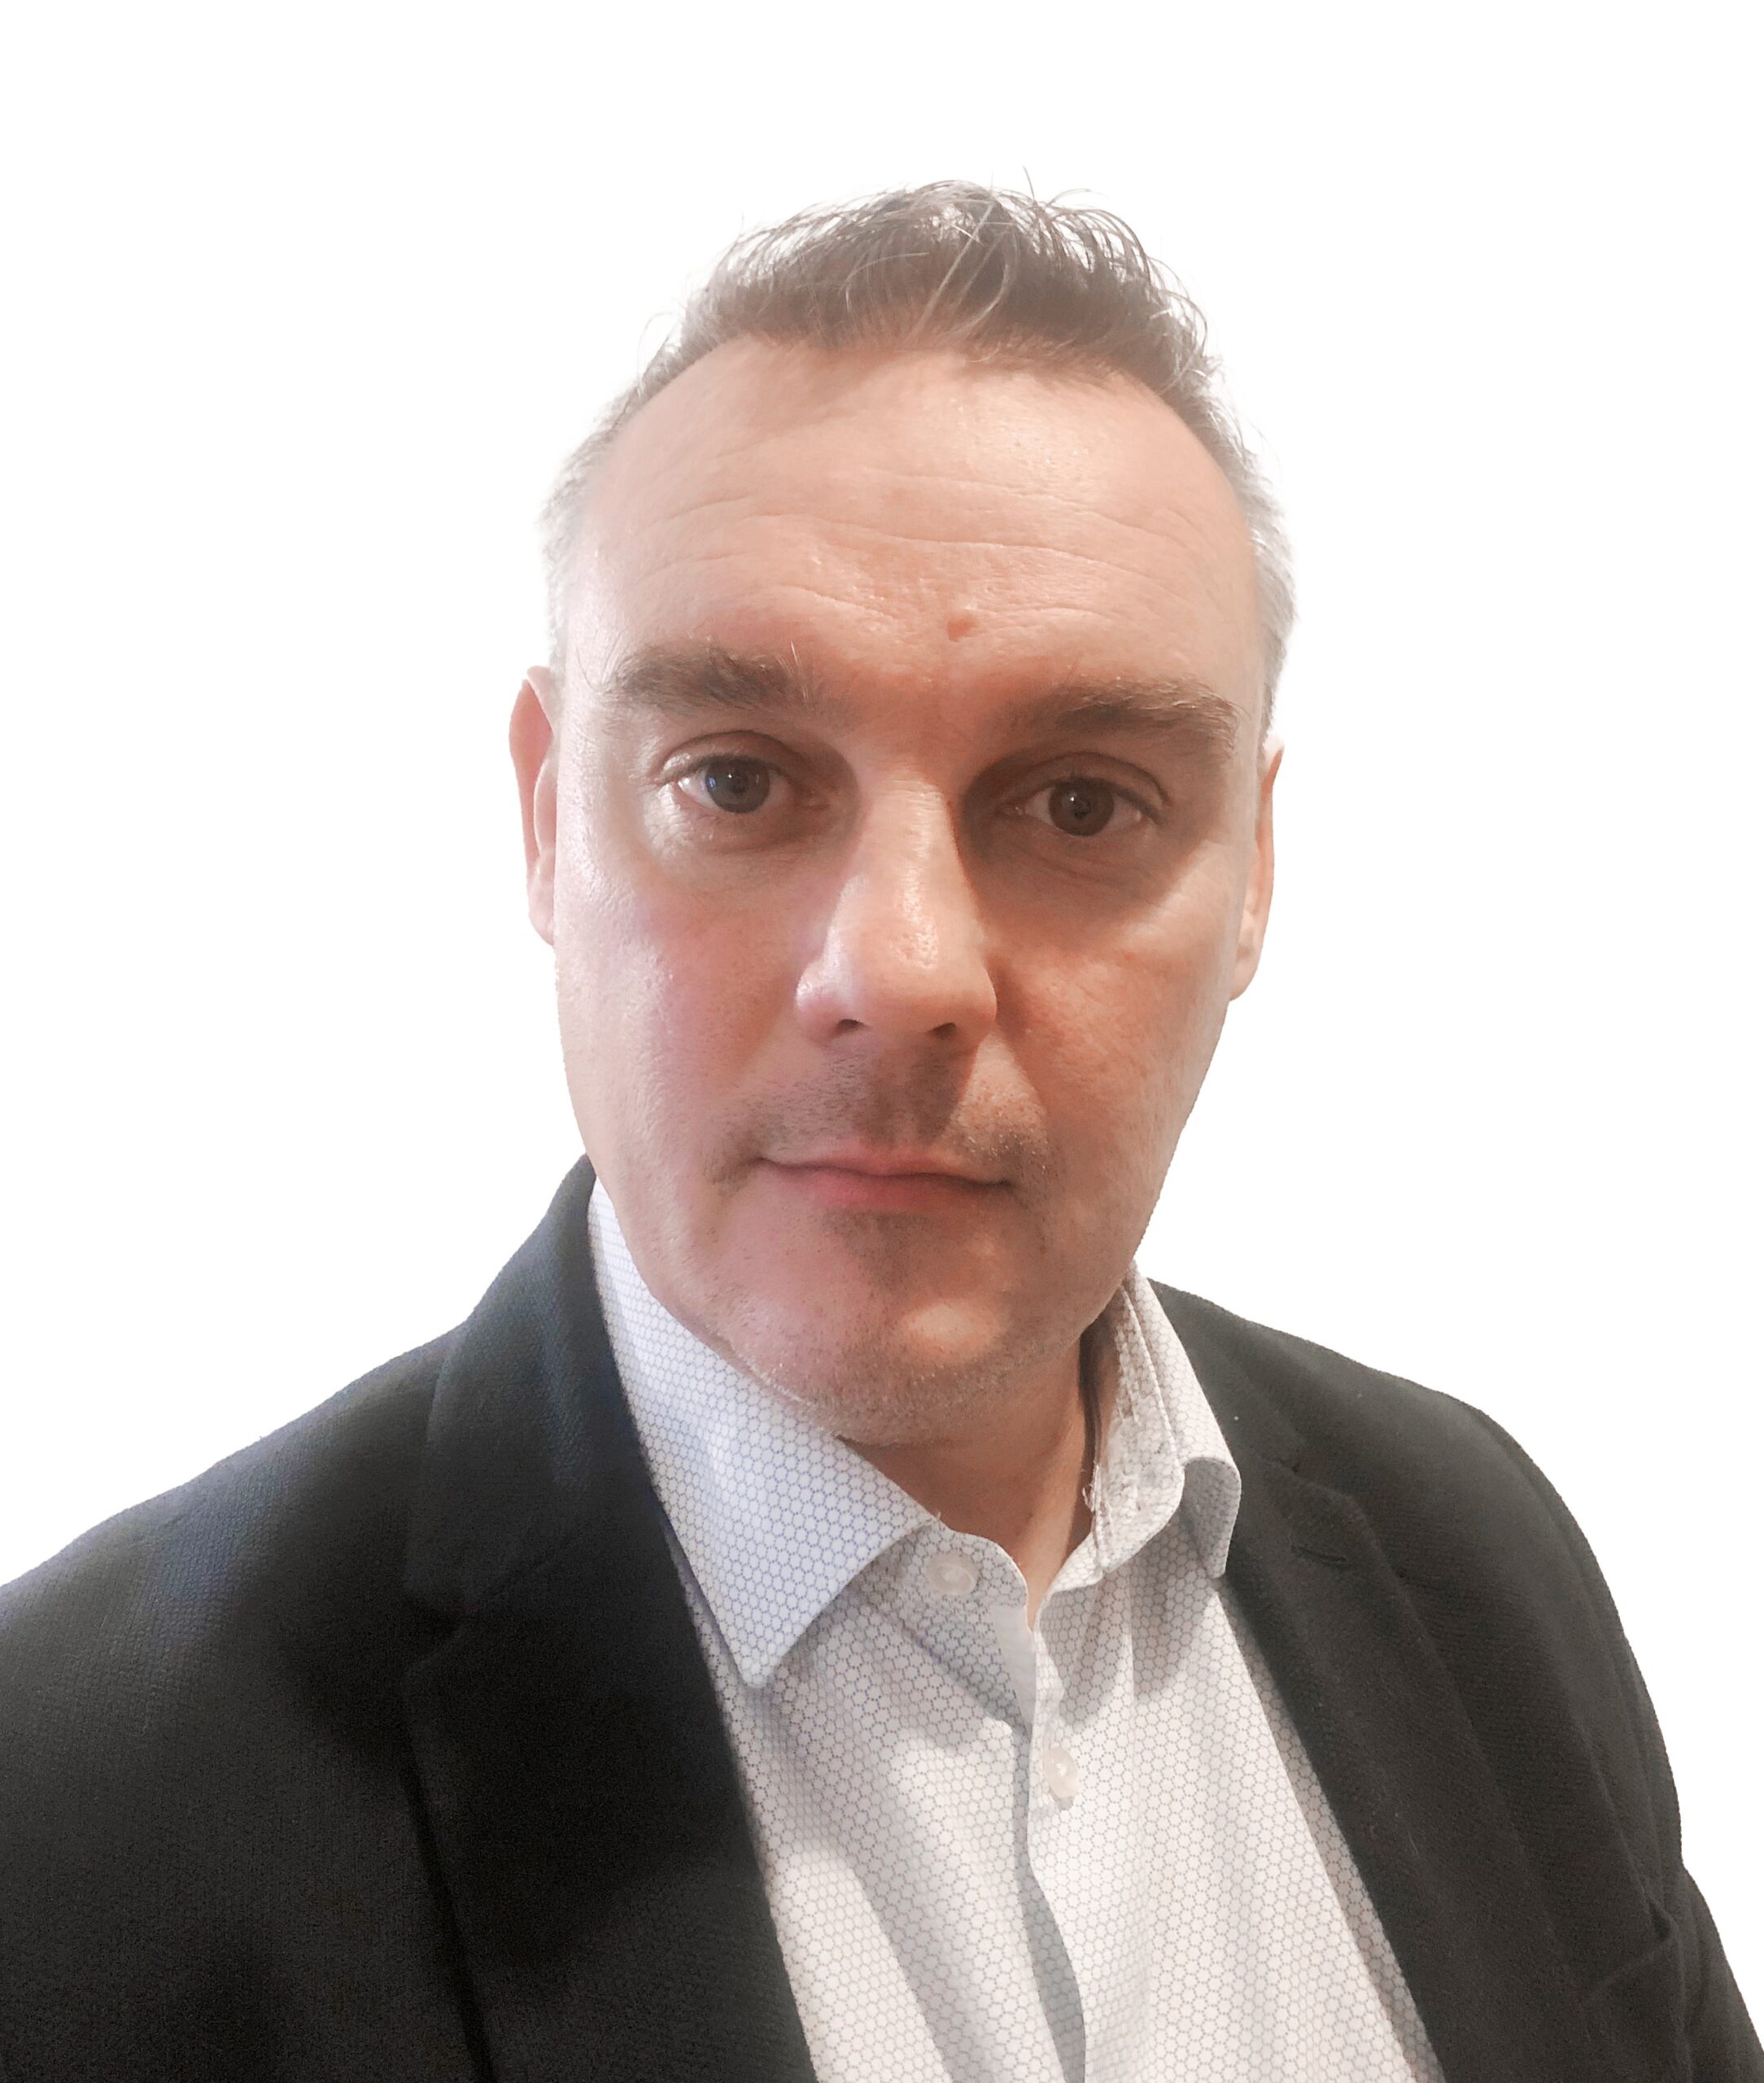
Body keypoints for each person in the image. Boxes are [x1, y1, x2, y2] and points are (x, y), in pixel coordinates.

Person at [0, 181, 1754, 2083]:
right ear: (549, 819)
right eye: (736, 781)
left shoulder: (1473, 1545)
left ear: (1254, 871)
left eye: (1081, 803)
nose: (903, 967)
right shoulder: (72, 1799)